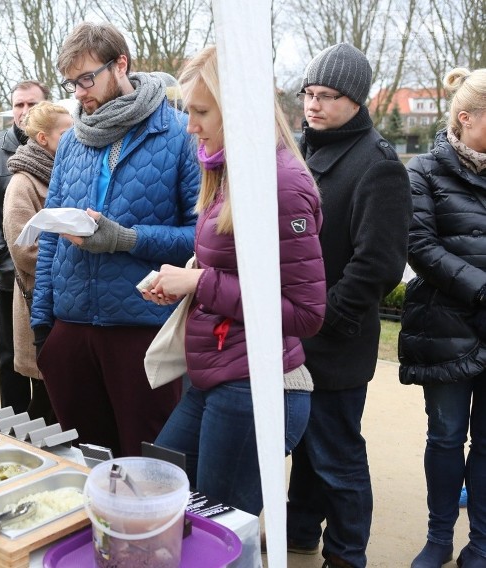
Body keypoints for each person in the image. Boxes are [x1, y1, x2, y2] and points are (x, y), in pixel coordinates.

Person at [143, 46, 325, 515]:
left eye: (201, 111)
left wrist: (199, 286)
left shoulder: (279, 185)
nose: (190, 126)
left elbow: (306, 314)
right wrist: (187, 278)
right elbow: (235, 269)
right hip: (219, 374)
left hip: (259, 387)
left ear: (236, 108)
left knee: (218, 532)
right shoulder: (226, 172)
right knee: (158, 489)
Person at [30, 22, 200, 457]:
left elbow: (202, 240)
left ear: (120, 64)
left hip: (142, 328)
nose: (79, 92)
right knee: (88, 462)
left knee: (148, 464)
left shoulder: (180, 135)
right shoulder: (71, 143)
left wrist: (125, 239)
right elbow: (51, 234)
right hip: (71, 329)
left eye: (87, 78)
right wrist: (43, 324)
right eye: (72, 83)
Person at [285, 43, 412, 568]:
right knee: (308, 449)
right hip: (294, 330)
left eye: (327, 96)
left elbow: (378, 265)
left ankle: (347, 552)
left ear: (355, 100)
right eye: (309, 93)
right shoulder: (298, 151)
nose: (313, 105)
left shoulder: (378, 166)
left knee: (337, 455)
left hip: (334, 338)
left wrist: (322, 319)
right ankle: (299, 532)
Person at [399, 67, 486, 568]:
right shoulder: (424, 171)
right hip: (447, 326)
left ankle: (481, 542)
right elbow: (420, 246)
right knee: (447, 436)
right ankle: (438, 538)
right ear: (464, 117)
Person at [0, 80, 49, 413]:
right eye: (19, 105)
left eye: (32, 104)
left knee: (46, 355)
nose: (24, 112)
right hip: (10, 277)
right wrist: (4, 257)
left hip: (49, 276)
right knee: (10, 355)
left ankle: (48, 419)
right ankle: (14, 423)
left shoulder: (62, 148)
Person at [2, 101, 74, 424]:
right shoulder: (22, 183)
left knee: (59, 400)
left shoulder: (66, 172)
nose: (74, 137)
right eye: (66, 132)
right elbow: (24, 250)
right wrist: (74, 256)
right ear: (43, 138)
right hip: (38, 306)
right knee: (46, 403)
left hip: (64, 305)